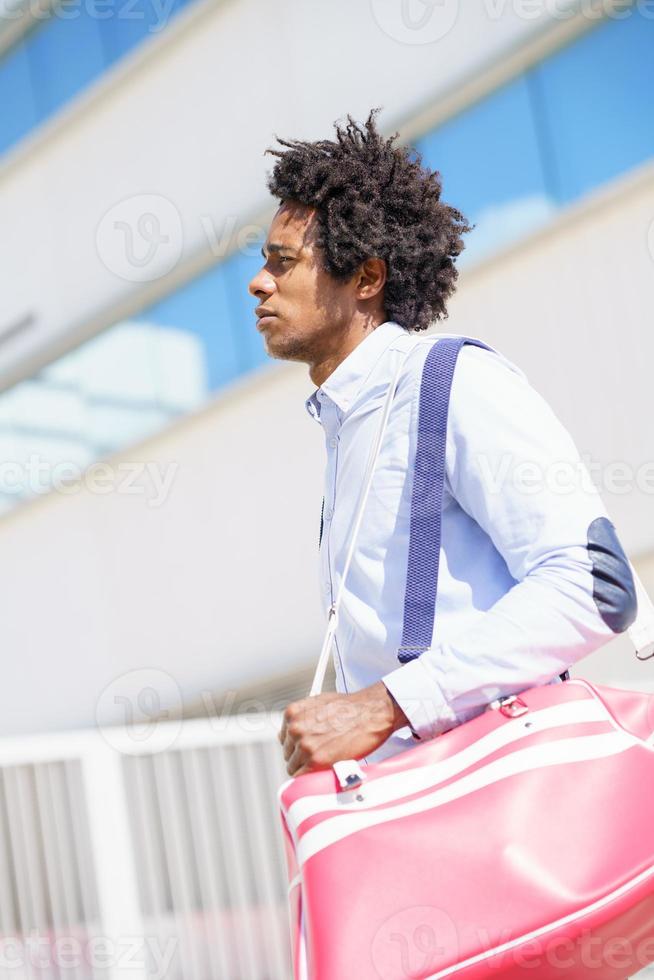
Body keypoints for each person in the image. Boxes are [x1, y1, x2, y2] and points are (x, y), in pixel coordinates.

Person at [248, 109, 638, 779]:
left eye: (283, 264)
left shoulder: (456, 382)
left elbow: (595, 585)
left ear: (366, 280)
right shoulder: (348, 427)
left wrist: (383, 707)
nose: (259, 282)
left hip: (508, 804)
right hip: (422, 810)